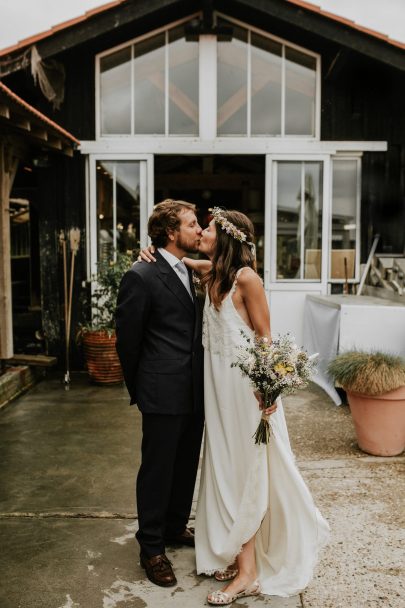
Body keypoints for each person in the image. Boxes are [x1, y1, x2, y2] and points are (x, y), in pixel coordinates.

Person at [140, 207, 329, 605]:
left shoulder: (247, 280)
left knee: (247, 474)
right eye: (199, 227)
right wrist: (149, 252)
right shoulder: (213, 275)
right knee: (224, 471)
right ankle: (236, 553)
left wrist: (269, 389)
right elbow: (181, 260)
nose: (201, 233)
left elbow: (265, 339)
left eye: (207, 228)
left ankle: (248, 574)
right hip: (217, 396)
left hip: (245, 395)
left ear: (225, 237)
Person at [115, 199, 204, 588]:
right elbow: (128, 341)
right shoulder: (141, 275)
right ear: (171, 232)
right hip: (161, 390)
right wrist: (143, 388)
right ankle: (151, 547)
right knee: (157, 470)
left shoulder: (190, 269)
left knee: (185, 465)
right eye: (192, 223)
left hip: (195, 390)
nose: (199, 229)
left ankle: (173, 527)